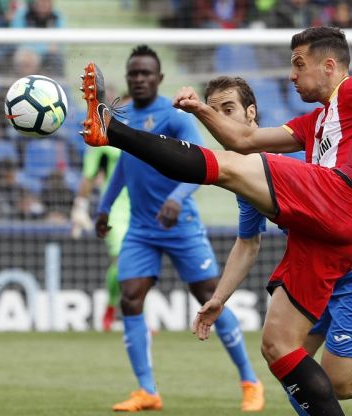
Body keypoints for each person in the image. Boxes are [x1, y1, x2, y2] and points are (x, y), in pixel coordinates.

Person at [79, 27, 352, 415]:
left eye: (299, 65)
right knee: (286, 352)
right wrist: (201, 110)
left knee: (233, 169)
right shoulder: (313, 124)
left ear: (330, 65)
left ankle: (112, 129)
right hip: (328, 237)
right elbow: (244, 142)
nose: (291, 75)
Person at [202, 75, 352, 413]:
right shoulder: (245, 179)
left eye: (228, 109)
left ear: (251, 113)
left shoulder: (292, 158)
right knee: (290, 364)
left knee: (340, 383)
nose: (220, 120)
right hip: (314, 278)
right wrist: (218, 299)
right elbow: (248, 243)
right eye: (212, 113)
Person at [92, 45, 264, 412]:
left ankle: (250, 380)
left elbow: (202, 163)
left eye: (146, 74)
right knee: (130, 297)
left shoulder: (173, 116)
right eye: (133, 74)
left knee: (208, 297)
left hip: (179, 223)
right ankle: (147, 391)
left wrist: (177, 197)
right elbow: (124, 166)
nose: (139, 79)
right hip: (141, 226)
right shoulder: (122, 118)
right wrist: (104, 207)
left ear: (159, 78)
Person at [70, 135, 131, 332]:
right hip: (115, 209)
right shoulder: (102, 136)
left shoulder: (146, 124)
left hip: (143, 206)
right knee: (124, 260)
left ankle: (138, 316)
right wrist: (79, 206)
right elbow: (89, 175)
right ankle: (113, 306)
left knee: (140, 263)